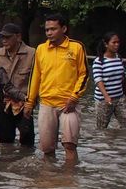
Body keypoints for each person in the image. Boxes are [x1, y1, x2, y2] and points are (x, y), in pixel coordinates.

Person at [24, 14, 88, 165]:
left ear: (64, 29)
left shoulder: (76, 47)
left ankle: (69, 178)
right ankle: (49, 178)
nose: (49, 33)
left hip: (68, 104)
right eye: (47, 30)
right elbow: (35, 77)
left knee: (69, 145)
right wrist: (29, 102)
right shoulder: (41, 49)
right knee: (47, 148)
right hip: (46, 103)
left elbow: (84, 75)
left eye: (53, 29)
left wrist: (74, 97)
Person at [0, 23, 36, 146]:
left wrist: (32, 102)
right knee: (5, 142)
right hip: (4, 106)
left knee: (27, 142)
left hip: (25, 105)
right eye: (2, 37)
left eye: (7, 37)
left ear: (18, 37)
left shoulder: (32, 54)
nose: (4, 40)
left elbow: (38, 80)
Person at [92, 32, 126, 129]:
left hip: (119, 96)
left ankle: (118, 142)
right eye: (114, 42)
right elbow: (98, 80)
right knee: (101, 128)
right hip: (103, 99)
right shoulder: (99, 61)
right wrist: (106, 96)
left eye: (118, 42)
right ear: (106, 44)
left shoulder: (118, 58)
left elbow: (123, 76)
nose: (117, 45)